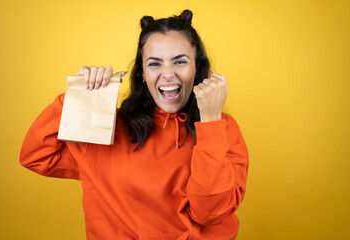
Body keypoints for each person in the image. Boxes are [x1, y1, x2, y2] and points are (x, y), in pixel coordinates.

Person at [20, 9, 249, 240]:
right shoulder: (106, 124)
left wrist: (210, 123)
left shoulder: (222, 129)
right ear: (142, 73)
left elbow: (209, 213)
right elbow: (37, 155)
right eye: (154, 64)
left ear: (197, 69)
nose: (168, 74)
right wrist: (75, 98)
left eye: (180, 61)